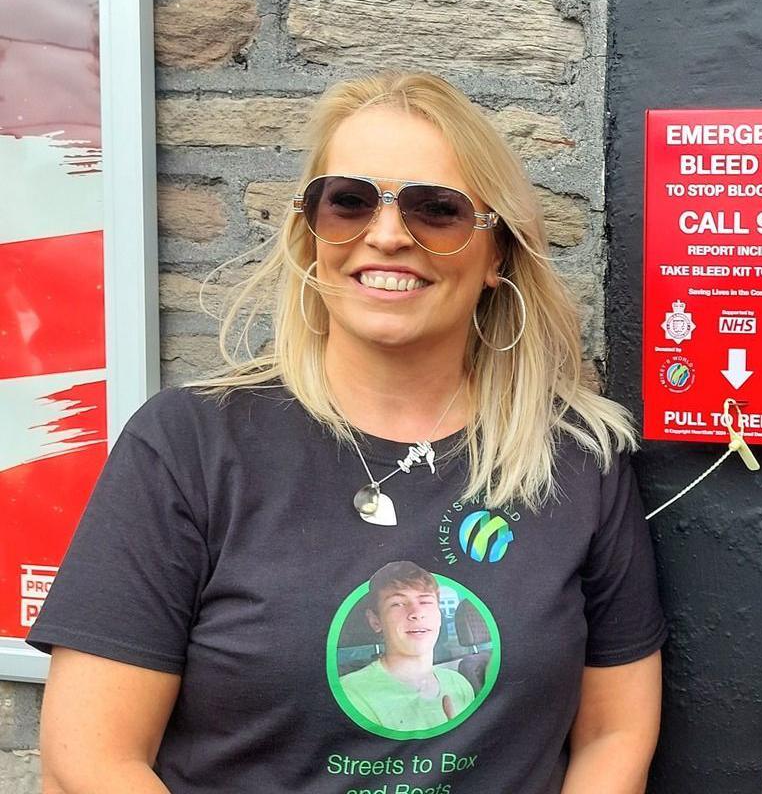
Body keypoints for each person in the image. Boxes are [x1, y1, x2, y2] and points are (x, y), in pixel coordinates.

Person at [30, 71, 665, 793]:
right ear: (311, 234)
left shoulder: (577, 459)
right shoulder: (190, 446)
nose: (388, 235)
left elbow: (615, 734)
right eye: (349, 203)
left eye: (438, 211)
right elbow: (89, 759)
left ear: (498, 255)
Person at [338, 561, 475, 733]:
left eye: (425, 602)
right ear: (375, 621)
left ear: (439, 615)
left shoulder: (460, 684)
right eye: (397, 604)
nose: (416, 613)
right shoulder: (351, 694)